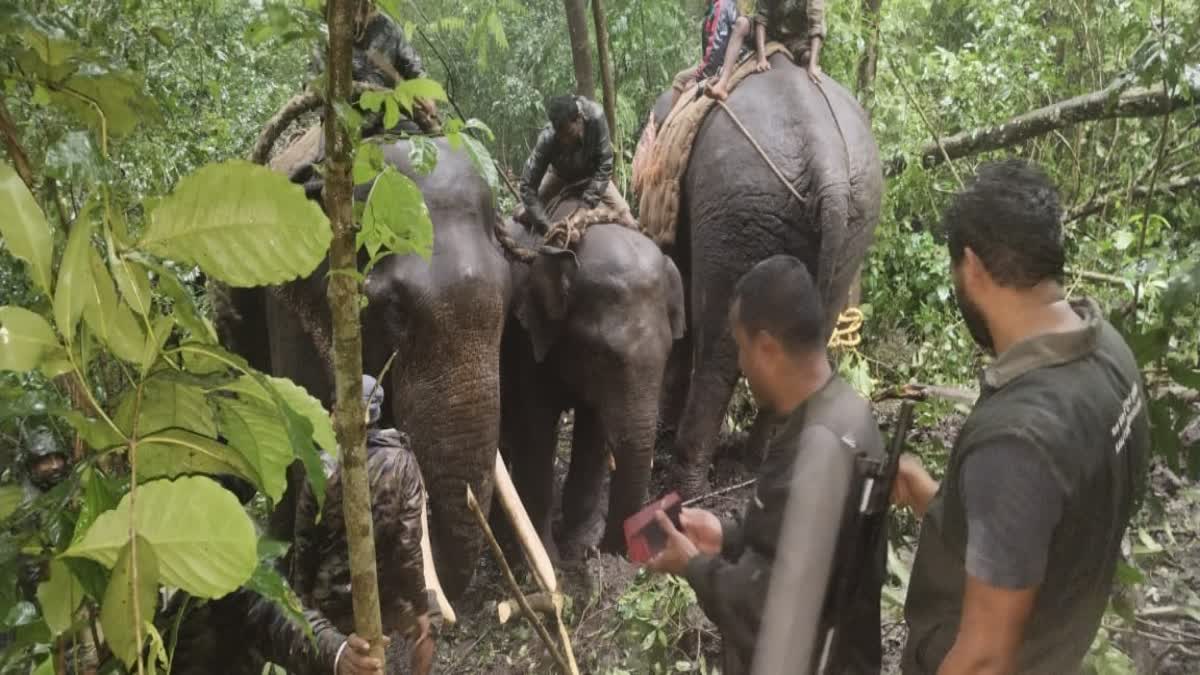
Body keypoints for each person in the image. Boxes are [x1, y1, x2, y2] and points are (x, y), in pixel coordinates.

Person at [892, 160, 1150, 674]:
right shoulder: (1110, 352)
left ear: (971, 266)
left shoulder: (1016, 440)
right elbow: (1041, 521)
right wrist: (933, 499)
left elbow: (983, 660)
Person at [645, 255, 885, 674]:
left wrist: (693, 565)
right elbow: (804, 553)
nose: (741, 365)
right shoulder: (845, 411)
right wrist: (727, 535)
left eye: (742, 348)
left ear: (768, 348)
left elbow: (768, 614)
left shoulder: (818, 450)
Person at [292, 375, 434, 675]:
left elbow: (304, 546)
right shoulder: (402, 462)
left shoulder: (319, 468)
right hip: (385, 596)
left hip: (330, 600)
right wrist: (421, 607)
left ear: (337, 412)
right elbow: (407, 548)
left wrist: (304, 608)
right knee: (430, 623)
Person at [308, 0, 438, 134]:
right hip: (342, 121)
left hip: (387, 118)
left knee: (430, 137)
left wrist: (427, 96)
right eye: (352, 8)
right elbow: (315, 88)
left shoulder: (387, 28)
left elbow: (413, 67)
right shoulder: (324, 34)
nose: (358, 17)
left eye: (363, 8)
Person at [517, 94, 637, 234]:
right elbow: (527, 187)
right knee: (526, 215)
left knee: (628, 220)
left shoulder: (596, 118)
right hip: (559, 177)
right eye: (560, 136)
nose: (565, 140)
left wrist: (585, 205)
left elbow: (605, 165)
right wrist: (546, 227)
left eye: (569, 133)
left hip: (593, 176)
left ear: (579, 118)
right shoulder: (547, 138)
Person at [669, 0, 756, 106]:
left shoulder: (720, 6)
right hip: (729, 57)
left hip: (721, 63)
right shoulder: (727, 4)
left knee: (680, 78)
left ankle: (675, 117)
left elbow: (715, 48)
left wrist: (698, 78)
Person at [753, 0, 827, 84]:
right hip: (771, 33)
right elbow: (761, 18)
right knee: (743, 24)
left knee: (808, 57)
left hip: (796, 40)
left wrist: (812, 65)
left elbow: (816, 26)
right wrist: (761, 58)